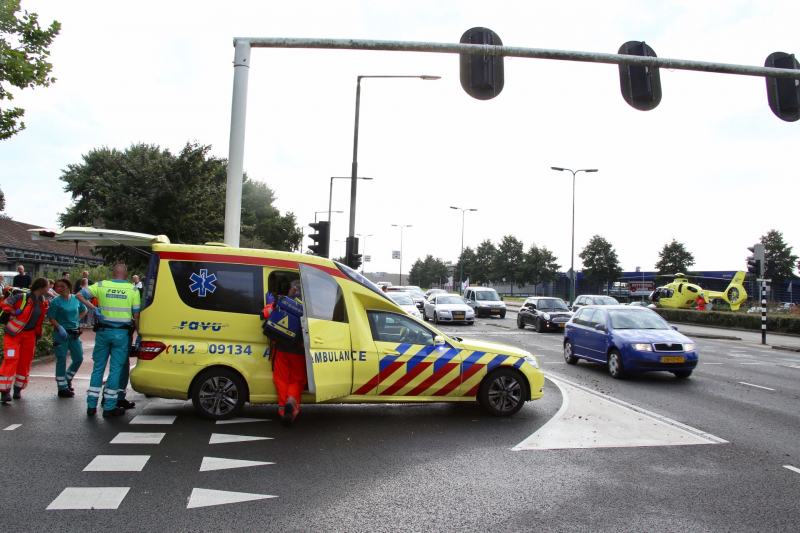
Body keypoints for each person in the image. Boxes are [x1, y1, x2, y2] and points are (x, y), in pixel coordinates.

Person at [76, 264, 140, 417]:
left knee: (98, 368)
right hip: (121, 334)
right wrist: (139, 333)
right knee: (116, 369)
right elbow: (136, 315)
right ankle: (110, 406)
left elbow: (79, 295)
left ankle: (91, 405)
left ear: (112, 273)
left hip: (103, 332)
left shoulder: (101, 285)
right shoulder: (132, 289)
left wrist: (93, 308)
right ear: (127, 274)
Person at [0, 277, 49, 403]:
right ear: (40, 288)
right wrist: (13, 311)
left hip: (30, 335)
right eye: (47, 287)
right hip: (13, 334)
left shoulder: (42, 301)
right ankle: (5, 391)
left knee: (25, 361)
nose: (48, 290)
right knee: (11, 359)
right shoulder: (22, 297)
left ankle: (18, 389)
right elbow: (4, 303)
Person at [265, 279, 307, 427]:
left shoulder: (283, 301)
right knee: (297, 380)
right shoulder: (308, 306)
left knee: (281, 379)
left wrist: (270, 303)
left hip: (280, 347)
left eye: (289, 288)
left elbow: (266, 314)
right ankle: (291, 403)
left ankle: (283, 410)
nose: (288, 290)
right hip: (299, 350)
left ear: (294, 290)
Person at [47, 278, 88, 398]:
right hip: (61, 333)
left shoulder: (76, 299)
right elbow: (51, 317)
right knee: (61, 358)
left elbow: (84, 310)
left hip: (74, 333)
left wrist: (76, 320)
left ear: (69, 287)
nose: (59, 289)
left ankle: (67, 378)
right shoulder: (56, 301)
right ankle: (62, 388)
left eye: (62, 286)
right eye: (58, 286)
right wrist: (60, 328)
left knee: (79, 357)